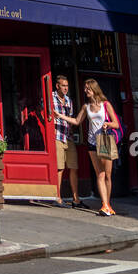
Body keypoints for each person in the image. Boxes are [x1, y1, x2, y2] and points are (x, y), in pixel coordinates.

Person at [58, 78, 121, 216]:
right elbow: (76, 121)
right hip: (92, 142)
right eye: (85, 88)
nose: (85, 91)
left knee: (108, 176)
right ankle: (104, 205)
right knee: (100, 174)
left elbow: (116, 123)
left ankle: (108, 204)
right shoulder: (86, 107)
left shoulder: (106, 105)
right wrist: (60, 116)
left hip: (104, 141)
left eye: (88, 88)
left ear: (94, 89)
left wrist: (107, 124)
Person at [52, 75, 83, 208]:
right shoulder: (50, 98)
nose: (66, 88)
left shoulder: (69, 101)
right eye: (63, 86)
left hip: (68, 137)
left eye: (67, 86)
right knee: (59, 168)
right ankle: (57, 197)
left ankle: (76, 198)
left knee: (74, 167)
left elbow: (70, 118)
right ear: (57, 86)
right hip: (57, 136)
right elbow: (42, 113)